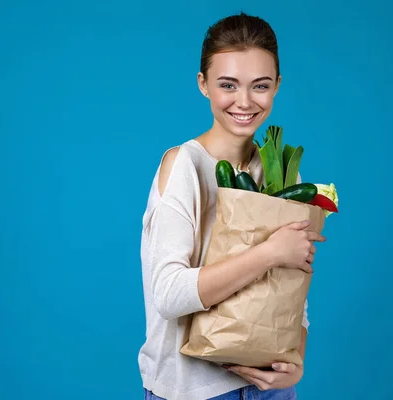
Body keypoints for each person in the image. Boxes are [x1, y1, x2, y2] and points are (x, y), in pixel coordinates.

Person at [138, 12, 326, 400]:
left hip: (270, 389)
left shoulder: (278, 169)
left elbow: (293, 286)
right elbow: (169, 295)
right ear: (203, 85)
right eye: (228, 85)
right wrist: (269, 253)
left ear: (277, 86)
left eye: (260, 86)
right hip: (195, 392)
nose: (244, 101)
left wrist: (296, 362)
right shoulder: (185, 165)